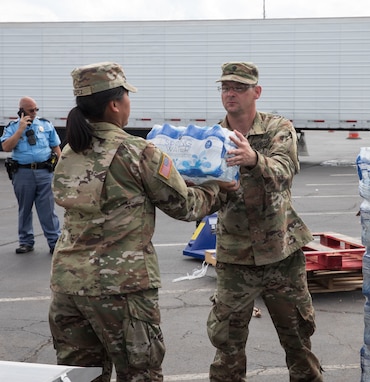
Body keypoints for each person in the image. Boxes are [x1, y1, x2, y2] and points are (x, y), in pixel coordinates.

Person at [48, 62, 236, 382]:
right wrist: (219, 189)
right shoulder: (137, 151)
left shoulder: (70, 150)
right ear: (115, 104)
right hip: (122, 289)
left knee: (80, 376)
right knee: (141, 374)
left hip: (68, 286)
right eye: (127, 97)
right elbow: (185, 206)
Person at [205, 62, 323, 382]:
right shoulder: (213, 138)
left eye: (239, 88)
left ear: (256, 92)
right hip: (235, 254)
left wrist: (253, 159)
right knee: (227, 344)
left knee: (298, 340)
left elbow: (285, 172)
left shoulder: (277, 128)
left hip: (280, 252)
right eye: (225, 88)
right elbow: (206, 195)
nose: (230, 93)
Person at [1, 97, 61, 254]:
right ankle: (26, 242)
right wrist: (20, 130)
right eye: (30, 110)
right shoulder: (13, 127)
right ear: (21, 111)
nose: (34, 113)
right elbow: (6, 147)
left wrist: (60, 168)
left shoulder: (45, 124)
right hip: (23, 173)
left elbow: (56, 147)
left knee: (48, 209)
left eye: (36, 110)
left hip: (44, 172)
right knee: (25, 208)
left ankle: (54, 242)